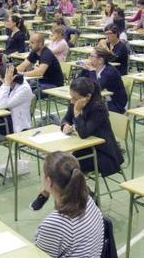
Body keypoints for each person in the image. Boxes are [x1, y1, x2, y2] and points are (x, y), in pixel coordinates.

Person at [29, 78, 123, 210]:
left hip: (103, 153)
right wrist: (65, 125)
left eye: (75, 98)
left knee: (65, 169)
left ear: (88, 97)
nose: (72, 101)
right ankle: (47, 192)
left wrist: (77, 112)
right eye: (71, 98)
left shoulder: (99, 108)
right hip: (85, 148)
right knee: (56, 162)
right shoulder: (76, 102)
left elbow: (84, 133)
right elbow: (66, 119)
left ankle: (86, 195)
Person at [0, 64, 34, 137]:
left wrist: (6, 84)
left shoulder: (24, 89)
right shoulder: (9, 83)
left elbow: (2, 105)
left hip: (16, 126)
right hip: (6, 119)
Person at [80, 46, 128, 113]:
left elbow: (96, 89)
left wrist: (91, 71)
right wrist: (84, 69)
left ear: (100, 60)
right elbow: (78, 82)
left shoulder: (110, 72)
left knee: (89, 109)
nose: (89, 59)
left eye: (91, 56)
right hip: (103, 100)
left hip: (115, 103)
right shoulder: (93, 68)